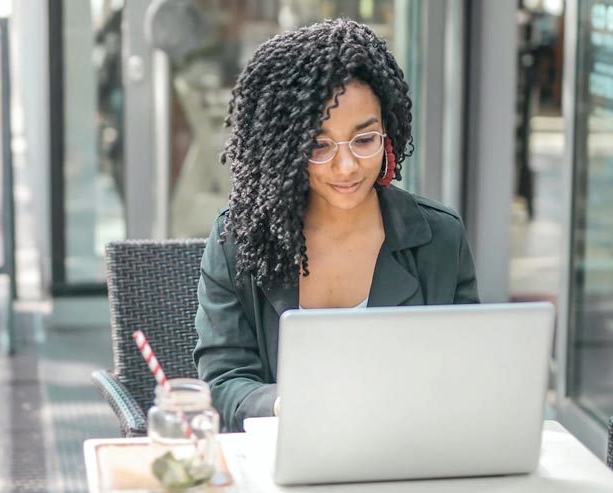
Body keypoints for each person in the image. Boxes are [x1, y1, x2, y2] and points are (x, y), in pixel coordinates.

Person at [194, 19, 480, 432]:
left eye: (364, 141)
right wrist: (282, 404)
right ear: (284, 149)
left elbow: (467, 374)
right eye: (318, 145)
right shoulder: (239, 240)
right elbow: (222, 383)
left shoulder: (439, 238)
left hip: (409, 455)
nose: (346, 168)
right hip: (283, 460)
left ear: (389, 134)